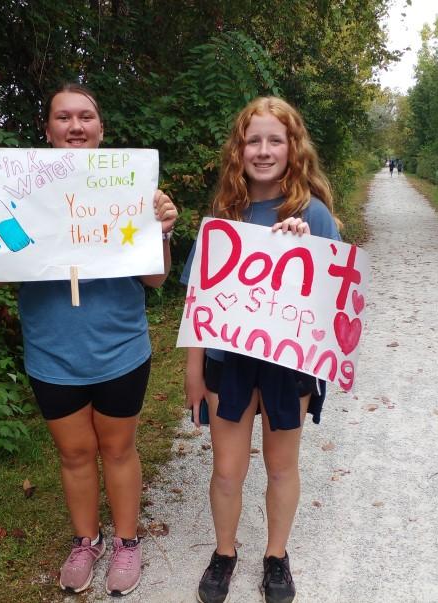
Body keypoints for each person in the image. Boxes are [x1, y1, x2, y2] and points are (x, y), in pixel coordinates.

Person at [0, 83, 178, 597]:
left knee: (118, 449)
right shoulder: (21, 189)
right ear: (47, 130)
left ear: (101, 129)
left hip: (119, 348)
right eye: (64, 117)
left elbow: (155, 278)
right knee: (74, 454)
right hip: (52, 352)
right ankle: (85, 541)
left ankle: (127, 543)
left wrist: (161, 230)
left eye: (85, 116)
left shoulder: (130, 187)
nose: (75, 126)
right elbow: (2, 275)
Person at [181, 96, 340, 603]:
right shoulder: (223, 214)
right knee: (227, 470)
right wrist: (193, 370)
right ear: (239, 149)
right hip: (227, 363)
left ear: (293, 148)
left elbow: (332, 301)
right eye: (254, 141)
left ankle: (276, 555)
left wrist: (304, 247)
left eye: (276, 140)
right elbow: (198, 298)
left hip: (288, 366)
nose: (264, 150)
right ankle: (224, 552)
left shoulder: (313, 214)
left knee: (281, 466)